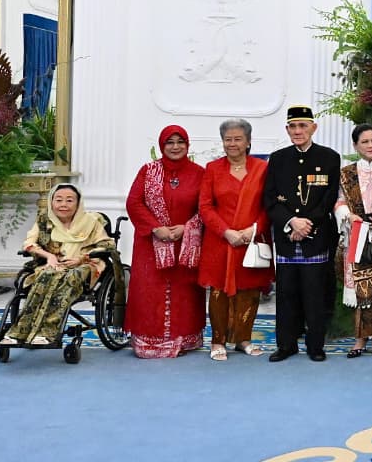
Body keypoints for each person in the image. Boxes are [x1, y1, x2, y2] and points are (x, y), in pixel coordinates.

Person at [263, 105, 341, 362]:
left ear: (313, 128)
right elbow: (270, 199)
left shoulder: (329, 158)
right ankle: (286, 345)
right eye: (293, 126)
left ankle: (315, 345)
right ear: (287, 129)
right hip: (287, 237)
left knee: (315, 293)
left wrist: (307, 225)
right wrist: (291, 222)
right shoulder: (278, 159)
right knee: (286, 294)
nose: (298, 131)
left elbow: (328, 199)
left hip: (316, 236)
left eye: (303, 126)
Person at [124, 125, 206, 358]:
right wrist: (155, 228)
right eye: (170, 142)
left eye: (180, 142)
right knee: (150, 291)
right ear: (162, 145)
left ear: (187, 145)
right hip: (151, 244)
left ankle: (184, 339)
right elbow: (134, 203)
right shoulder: (148, 171)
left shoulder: (199, 173)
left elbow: (206, 207)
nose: (175, 147)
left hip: (185, 245)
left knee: (184, 293)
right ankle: (149, 341)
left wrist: (187, 228)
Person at [199, 118, 274, 360]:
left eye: (238, 139)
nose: (232, 144)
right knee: (218, 293)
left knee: (249, 293)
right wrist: (226, 232)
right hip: (221, 242)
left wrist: (254, 230)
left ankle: (244, 339)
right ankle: (217, 341)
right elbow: (205, 207)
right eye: (228, 139)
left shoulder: (262, 169)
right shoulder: (212, 169)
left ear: (248, 142)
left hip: (251, 241)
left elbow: (268, 206)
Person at [5, 184, 115, 345]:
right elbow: (29, 244)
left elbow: (108, 245)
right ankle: (20, 330)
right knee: (46, 274)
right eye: (59, 200)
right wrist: (49, 256)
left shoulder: (92, 222)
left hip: (84, 265)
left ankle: (48, 331)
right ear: (52, 202)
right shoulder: (45, 221)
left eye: (69, 200)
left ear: (78, 203)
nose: (63, 204)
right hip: (55, 264)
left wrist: (82, 258)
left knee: (71, 276)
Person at [334, 123, 372, 359]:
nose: (370, 145)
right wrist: (348, 216)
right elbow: (339, 201)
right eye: (365, 142)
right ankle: (360, 338)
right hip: (357, 234)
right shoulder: (347, 172)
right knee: (361, 288)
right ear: (355, 146)